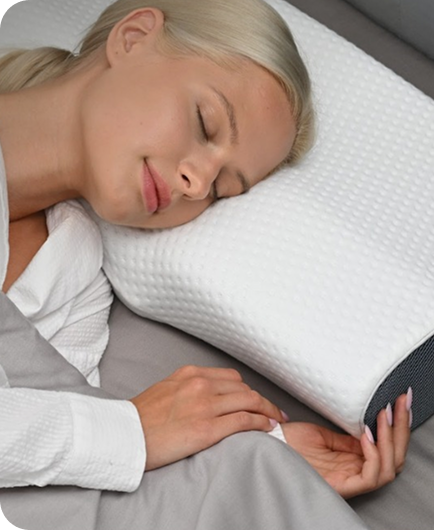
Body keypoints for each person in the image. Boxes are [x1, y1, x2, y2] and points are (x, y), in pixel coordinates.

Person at [0, 0, 411, 526]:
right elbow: (104, 436)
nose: (195, 183)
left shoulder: (75, 277)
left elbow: (58, 475)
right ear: (133, 37)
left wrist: (253, 459)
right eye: (205, 123)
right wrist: (133, 429)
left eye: (220, 189)